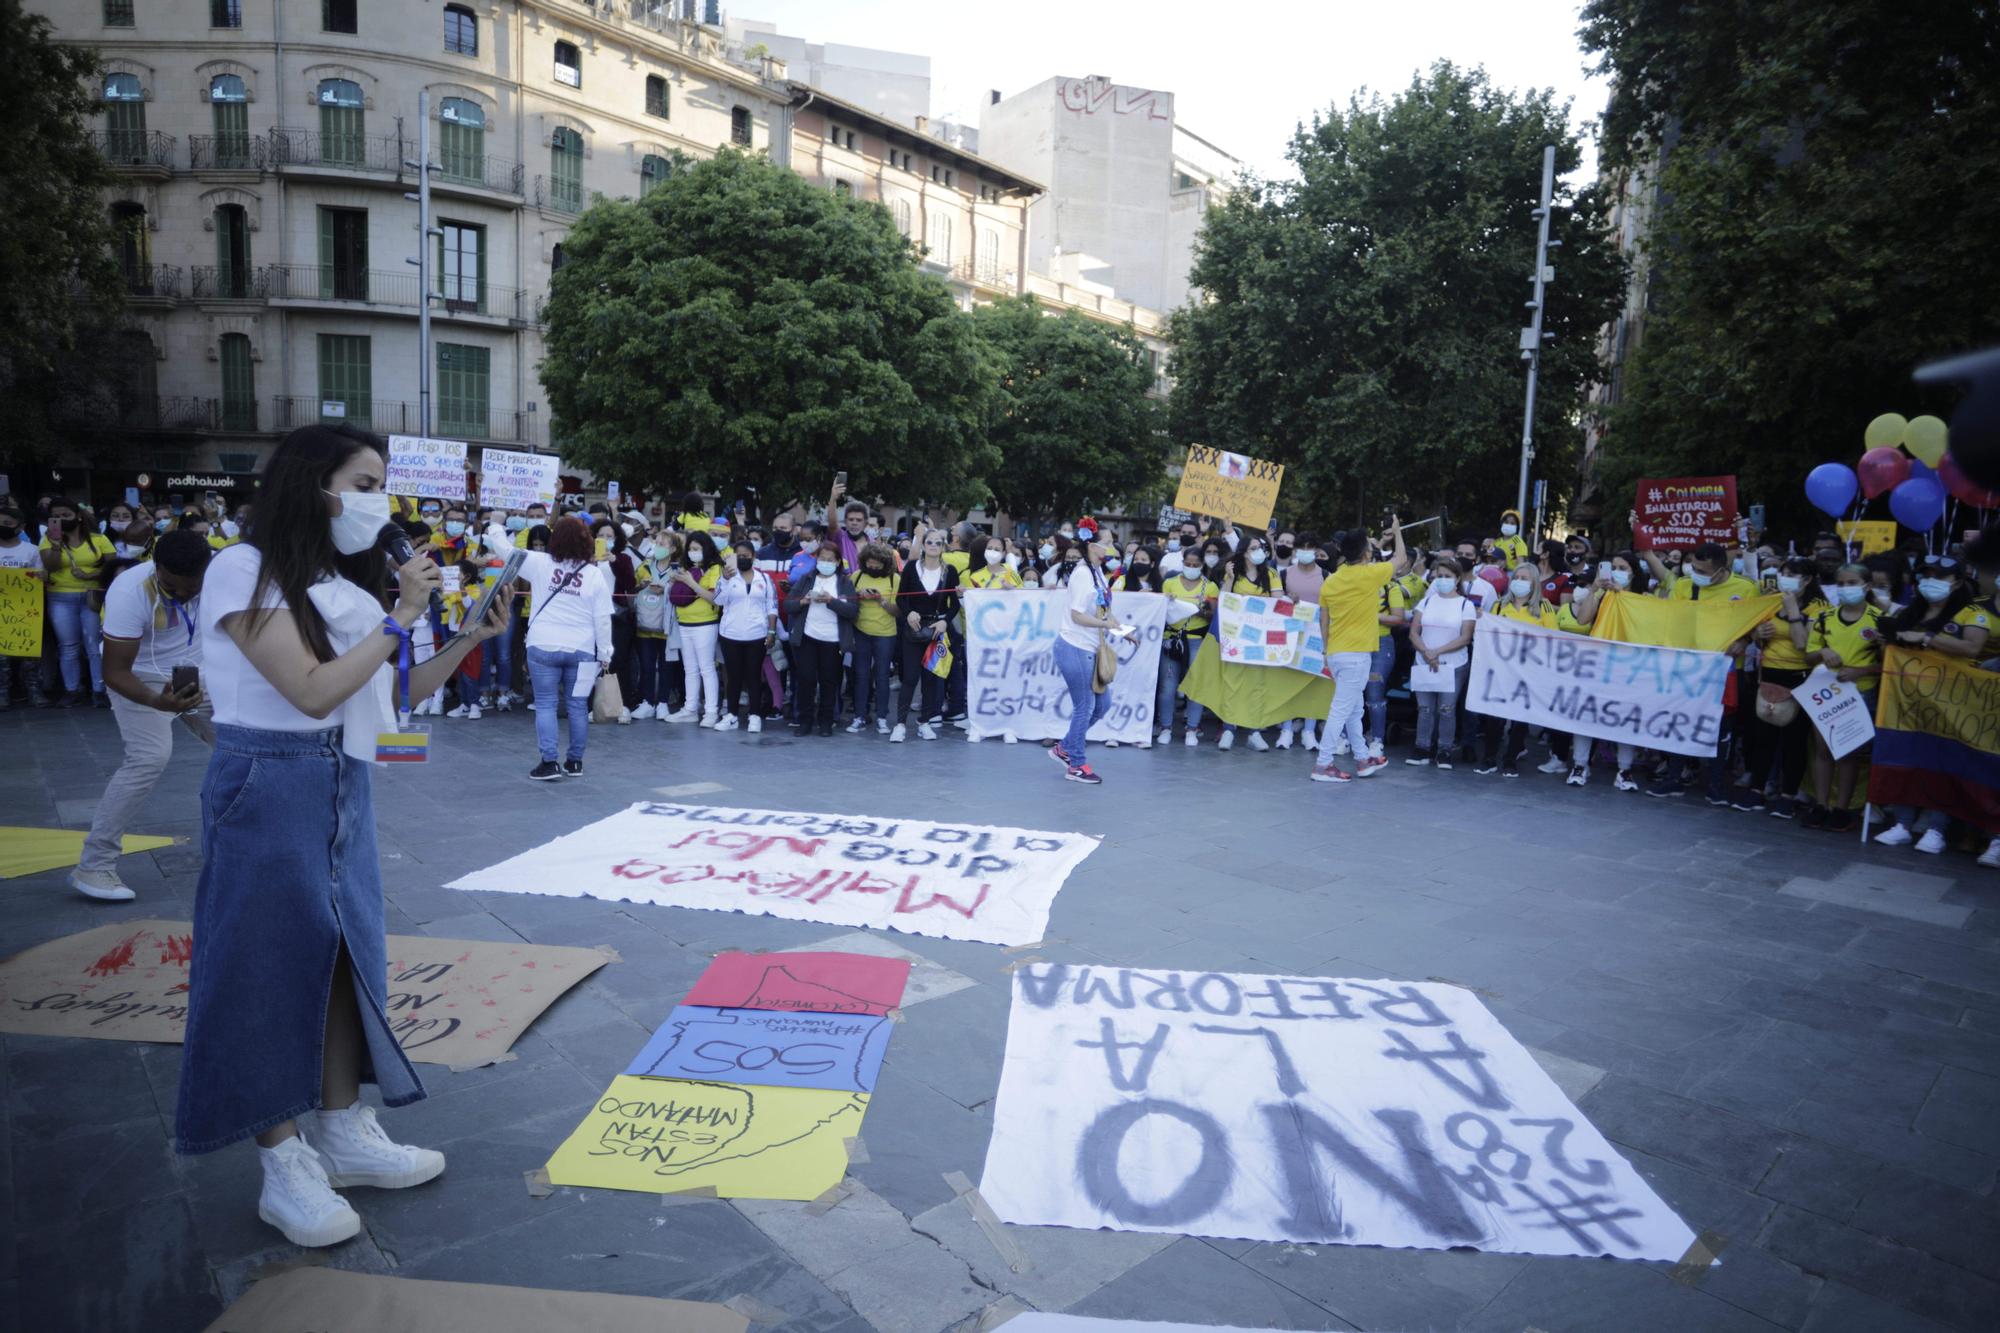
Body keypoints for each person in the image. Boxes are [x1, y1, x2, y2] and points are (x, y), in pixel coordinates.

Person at [179, 424, 506, 1249]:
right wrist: (400, 611)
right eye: (363, 483)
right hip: (267, 780)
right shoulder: (239, 570)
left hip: (340, 784)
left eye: (381, 485)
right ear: (312, 483)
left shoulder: (342, 585)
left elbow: (392, 692)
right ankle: (281, 1161)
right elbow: (314, 688)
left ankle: (340, 1127)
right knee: (259, 965)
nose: (378, 502)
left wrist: (468, 634)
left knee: (342, 959)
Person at [70, 531, 217, 900]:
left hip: (200, 670)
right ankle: (93, 866)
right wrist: (158, 702)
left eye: (191, 589)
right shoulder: (129, 590)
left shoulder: (221, 575)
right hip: (140, 675)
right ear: (157, 565)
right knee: (149, 758)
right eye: (170, 586)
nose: (181, 595)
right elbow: (115, 672)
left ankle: (237, 849)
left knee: (245, 750)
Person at [1875, 557, 1991, 850]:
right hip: (1908, 696)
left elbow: (1972, 648)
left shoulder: (1972, 612)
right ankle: (1902, 823)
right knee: (1907, 755)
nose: (1931, 581)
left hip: (1951, 699)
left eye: (1939, 576)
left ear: (1957, 582)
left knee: (1942, 759)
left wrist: (1927, 638)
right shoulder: (1910, 611)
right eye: (1926, 575)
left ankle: (1937, 829)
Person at [1312, 519, 1409, 783]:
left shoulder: (1331, 581)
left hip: (1336, 652)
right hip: (1356, 655)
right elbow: (1401, 558)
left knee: (1354, 710)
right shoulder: (1370, 574)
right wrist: (1398, 531)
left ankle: (1362, 759)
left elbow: (1324, 619)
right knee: (1341, 710)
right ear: (1365, 553)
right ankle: (1323, 764)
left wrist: (1325, 649)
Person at [517, 516, 613, 778]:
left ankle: (549, 763)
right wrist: (605, 653)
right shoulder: (594, 574)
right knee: (578, 706)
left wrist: (494, 526)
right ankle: (575, 762)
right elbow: (602, 619)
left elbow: (505, 551)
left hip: (542, 645)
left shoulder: (539, 563)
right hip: (582, 650)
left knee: (546, 704)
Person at [1800, 563, 1884, 832]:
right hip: (1826, 691)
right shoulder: (1825, 618)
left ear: (1867, 586)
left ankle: (1842, 808)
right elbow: (1809, 654)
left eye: (1853, 583)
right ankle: (1821, 804)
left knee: (1848, 753)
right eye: (1842, 583)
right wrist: (1823, 653)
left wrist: (1862, 670)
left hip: (1860, 692)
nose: (1847, 588)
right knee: (1823, 750)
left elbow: (1889, 662)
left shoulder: (1879, 619)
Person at [1738, 556, 1825, 817]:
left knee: (1794, 740)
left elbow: (1803, 644)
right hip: (1769, 675)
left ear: (1807, 580)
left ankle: (1788, 795)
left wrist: (1793, 612)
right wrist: (1758, 635)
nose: (1786, 577)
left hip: (1800, 677)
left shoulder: (1818, 608)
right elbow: (1757, 634)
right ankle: (1757, 790)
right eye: (1784, 572)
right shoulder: (1773, 601)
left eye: (1793, 574)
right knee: (1763, 736)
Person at [1475, 563, 1562, 777]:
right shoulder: (1497, 605)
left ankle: (1510, 759)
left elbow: (1554, 638)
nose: (1519, 582)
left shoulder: (1544, 607)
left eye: (1525, 578)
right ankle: (1489, 757)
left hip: (1527, 671)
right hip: (1500, 670)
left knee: (1519, 719)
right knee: (1494, 717)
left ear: (1534, 583)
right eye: (1517, 577)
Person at [1048, 539, 1119, 785]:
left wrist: (1121, 629)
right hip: (1074, 646)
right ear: (1091, 546)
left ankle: (1065, 747)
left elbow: (1103, 610)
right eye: (1106, 542)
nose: (1110, 547)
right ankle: (1076, 765)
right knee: (1085, 707)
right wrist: (1105, 625)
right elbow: (1077, 615)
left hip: (1088, 648)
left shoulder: (1096, 572)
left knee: (1102, 705)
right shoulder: (1082, 574)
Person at [40, 500, 116, 706]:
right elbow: (51, 566)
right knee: (68, 646)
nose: (61, 520)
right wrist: (56, 546)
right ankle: (71, 689)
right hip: (60, 597)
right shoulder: (47, 541)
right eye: (56, 517)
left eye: (66, 515)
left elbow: (113, 568)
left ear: (78, 516)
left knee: (94, 645)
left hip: (92, 596)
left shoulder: (99, 539)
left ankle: (99, 690)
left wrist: (90, 574)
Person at [1406, 557, 1477, 769]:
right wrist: (1427, 653)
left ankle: (1444, 749)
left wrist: (1437, 652)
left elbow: (1465, 637)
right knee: (1425, 708)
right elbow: (1414, 632)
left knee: (1446, 708)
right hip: (1424, 662)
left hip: (1453, 665)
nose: (1442, 580)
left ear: (1457, 579)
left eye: (1447, 576)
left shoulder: (1466, 605)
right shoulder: (1426, 602)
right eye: (1439, 576)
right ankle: (1422, 747)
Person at [893, 526, 958, 741]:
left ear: (943, 547)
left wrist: (944, 622)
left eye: (938, 543)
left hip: (935, 631)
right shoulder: (911, 568)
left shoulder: (949, 571)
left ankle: (925, 722)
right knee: (910, 677)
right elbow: (901, 598)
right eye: (929, 542)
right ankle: (900, 724)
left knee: (932, 679)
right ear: (923, 545)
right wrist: (908, 612)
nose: (933, 546)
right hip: (913, 629)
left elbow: (954, 604)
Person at [786, 542, 857, 736]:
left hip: (833, 640)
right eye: (822, 559)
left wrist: (831, 602)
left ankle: (826, 721)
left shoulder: (844, 582)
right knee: (806, 680)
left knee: (829, 681)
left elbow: (852, 611)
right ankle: (805, 720)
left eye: (830, 560)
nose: (825, 562)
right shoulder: (806, 579)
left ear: (837, 562)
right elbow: (788, 605)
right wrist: (804, 601)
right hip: (807, 636)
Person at [715, 538, 778, 733]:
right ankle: (732, 715)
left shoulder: (764, 579)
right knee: (733, 677)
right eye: (738, 556)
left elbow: (771, 606)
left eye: (746, 556)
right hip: (730, 634)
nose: (742, 559)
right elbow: (719, 600)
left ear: (753, 557)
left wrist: (771, 630)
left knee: (753, 676)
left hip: (756, 635)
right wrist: (725, 579)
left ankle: (755, 716)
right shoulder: (727, 578)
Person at [1156, 548, 1216, 747]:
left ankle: (1192, 728)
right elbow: (1159, 610)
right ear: (1182, 563)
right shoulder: (1169, 583)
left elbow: (1213, 616)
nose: (1191, 568)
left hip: (1196, 640)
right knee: (1167, 686)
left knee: (1195, 686)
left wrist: (1203, 611)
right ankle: (1166, 727)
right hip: (1171, 640)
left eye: (1196, 565)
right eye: (1188, 564)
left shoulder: (1211, 587)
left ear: (1202, 565)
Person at [664, 530, 723, 725]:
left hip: (705, 623)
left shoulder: (715, 569)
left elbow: (714, 598)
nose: (692, 552)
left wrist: (691, 582)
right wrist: (676, 582)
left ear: (706, 549)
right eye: (690, 549)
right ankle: (690, 709)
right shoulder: (686, 567)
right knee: (689, 668)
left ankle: (711, 712)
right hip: (684, 623)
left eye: (696, 549)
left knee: (706, 668)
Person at [847, 542, 901, 734]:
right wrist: (857, 595)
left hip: (885, 634)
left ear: (885, 564)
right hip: (860, 631)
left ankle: (882, 717)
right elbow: (847, 601)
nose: (873, 568)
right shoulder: (857, 576)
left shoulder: (895, 579)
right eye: (869, 564)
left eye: (877, 565)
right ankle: (860, 716)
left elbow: (897, 611)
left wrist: (880, 600)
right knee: (860, 675)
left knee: (882, 676)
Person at [0, 507, 49, 708]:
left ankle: (34, 690)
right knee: (1, 657)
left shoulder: (31, 550)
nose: (2, 527)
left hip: (27, 610)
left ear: (20, 526)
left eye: (7, 523)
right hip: (2, 610)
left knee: (30, 654)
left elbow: (42, 577)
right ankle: (2, 692)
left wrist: (42, 577)